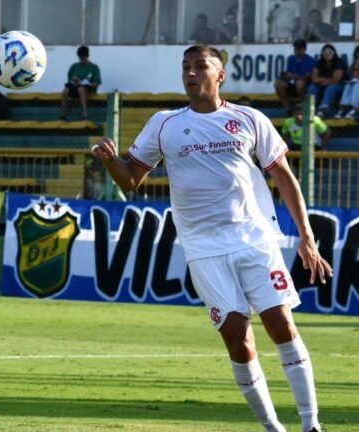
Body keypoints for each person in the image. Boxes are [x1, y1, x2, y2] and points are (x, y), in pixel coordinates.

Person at [92, 45, 331, 432]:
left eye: (200, 66)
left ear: (219, 75)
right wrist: (110, 162)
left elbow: (284, 177)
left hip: (254, 239)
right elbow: (131, 181)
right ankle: (273, 428)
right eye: (185, 66)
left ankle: (311, 424)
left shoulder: (249, 119)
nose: (190, 72)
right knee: (239, 342)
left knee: (282, 326)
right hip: (203, 250)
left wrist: (307, 237)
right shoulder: (164, 124)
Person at [60, 46, 101, 121]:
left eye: (83, 58)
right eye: (80, 58)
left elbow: (97, 83)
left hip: (88, 87)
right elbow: (69, 80)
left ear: (87, 56)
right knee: (65, 91)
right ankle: (63, 115)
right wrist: (74, 79)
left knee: (81, 89)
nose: (82, 60)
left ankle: (85, 115)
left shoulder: (94, 67)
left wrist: (87, 83)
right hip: (75, 86)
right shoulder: (74, 66)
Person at [274, 39, 316, 112]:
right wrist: (285, 76)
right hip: (293, 85)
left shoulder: (310, 60)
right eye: (295, 48)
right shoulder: (291, 59)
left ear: (304, 49)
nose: (297, 50)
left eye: (299, 48)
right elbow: (289, 75)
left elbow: (308, 78)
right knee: (278, 83)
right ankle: (288, 108)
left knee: (299, 83)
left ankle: (304, 107)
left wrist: (293, 76)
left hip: (305, 87)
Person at [306, 43, 345, 118]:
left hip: (338, 87)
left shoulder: (339, 63)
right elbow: (314, 79)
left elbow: (336, 80)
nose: (327, 54)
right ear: (322, 54)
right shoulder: (319, 63)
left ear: (334, 53)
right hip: (321, 86)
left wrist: (321, 80)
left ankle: (323, 108)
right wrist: (327, 80)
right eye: (325, 52)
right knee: (312, 87)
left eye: (330, 52)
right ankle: (308, 108)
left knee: (331, 87)